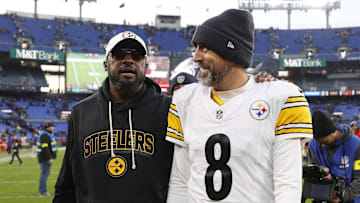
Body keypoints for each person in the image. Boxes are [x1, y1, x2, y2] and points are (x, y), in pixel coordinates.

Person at [165, 9, 313, 203]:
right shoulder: (185, 99)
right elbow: (180, 180)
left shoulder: (280, 98)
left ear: (229, 51)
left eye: (205, 48)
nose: (196, 57)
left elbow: (287, 185)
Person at [53, 31, 174, 203]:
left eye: (137, 55)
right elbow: (67, 184)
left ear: (145, 64)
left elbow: (181, 180)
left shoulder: (169, 109)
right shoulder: (81, 113)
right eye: (119, 54)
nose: (128, 59)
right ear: (106, 64)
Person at [308, 111, 360, 203]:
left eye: (324, 141)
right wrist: (320, 173)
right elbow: (311, 174)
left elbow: (359, 178)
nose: (322, 146)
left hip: (350, 198)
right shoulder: (313, 145)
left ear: (333, 132)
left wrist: (343, 196)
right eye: (320, 143)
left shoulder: (356, 145)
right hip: (322, 197)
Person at [37, 121, 57, 197]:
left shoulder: (46, 134)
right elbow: (45, 147)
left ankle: (42, 191)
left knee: (44, 174)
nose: (53, 128)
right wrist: (49, 158)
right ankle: (42, 192)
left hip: (44, 157)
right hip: (45, 158)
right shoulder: (45, 135)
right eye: (52, 126)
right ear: (48, 127)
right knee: (44, 174)